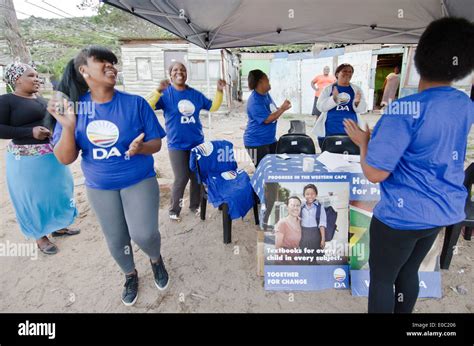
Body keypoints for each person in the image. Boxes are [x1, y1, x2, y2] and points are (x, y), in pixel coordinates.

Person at [344, 17, 474, 313]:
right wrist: (381, 140)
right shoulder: (464, 104)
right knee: (408, 272)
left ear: (418, 59)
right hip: (440, 212)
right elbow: (429, 145)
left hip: (401, 217)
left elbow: (375, 173)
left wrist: (364, 142)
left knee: (382, 280)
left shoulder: (404, 109)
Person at [50, 46, 168, 306]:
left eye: (113, 62)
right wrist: (68, 127)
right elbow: (65, 158)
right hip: (100, 186)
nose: (111, 66)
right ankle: (130, 274)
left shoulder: (134, 103)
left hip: (138, 179)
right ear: (83, 70)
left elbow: (156, 143)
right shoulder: (76, 109)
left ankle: (156, 259)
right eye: (102, 61)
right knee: (116, 238)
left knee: (144, 234)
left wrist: (141, 148)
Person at [0, 62, 78, 255]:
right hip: (26, 161)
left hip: (51, 156)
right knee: (33, 198)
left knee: (58, 192)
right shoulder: (6, 101)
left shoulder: (43, 100)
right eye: (31, 76)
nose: (37, 79)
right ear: (17, 80)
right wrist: (30, 131)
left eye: (37, 76)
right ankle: (40, 236)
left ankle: (58, 226)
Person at [146, 62, 226, 221]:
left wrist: (219, 90)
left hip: (196, 143)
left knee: (196, 176)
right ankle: (174, 209)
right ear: (170, 74)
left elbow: (213, 107)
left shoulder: (194, 94)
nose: (179, 72)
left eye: (182, 70)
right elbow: (148, 106)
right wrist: (157, 91)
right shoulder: (166, 94)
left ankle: (195, 206)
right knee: (181, 177)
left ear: (186, 74)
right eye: (175, 70)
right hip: (176, 144)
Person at [311, 63, 367, 149]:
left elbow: (362, 110)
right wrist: (334, 99)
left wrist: (357, 102)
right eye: (344, 71)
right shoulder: (328, 89)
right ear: (337, 74)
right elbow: (320, 107)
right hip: (331, 129)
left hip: (351, 130)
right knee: (328, 156)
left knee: (349, 157)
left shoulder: (357, 90)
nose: (347, 73)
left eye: (350, 72)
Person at [244, 69, 291, 167]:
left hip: (270, 140)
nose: (269, 82)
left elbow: (271, 111)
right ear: (261, 81)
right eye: (267, 80)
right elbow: (267, 119)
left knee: (276, 167)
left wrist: (281, 108)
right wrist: (282, 109)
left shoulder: (265, 95)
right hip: (256, 143)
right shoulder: (254, 101)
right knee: (265, 170)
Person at [275, 196, 302, 263]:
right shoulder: (282, 223)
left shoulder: (301, 222)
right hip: (284, 262)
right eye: (292, 205)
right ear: (287, 207)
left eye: (298, 205)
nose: (295, 208)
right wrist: (291, 263)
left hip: (297, 259)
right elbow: (278, 248)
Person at [300, 184, 326, 253]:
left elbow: (322, 224)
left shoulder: (320, 207)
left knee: (314, 256)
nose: (310, 196)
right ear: (304, 195)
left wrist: (323, 239)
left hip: (315, 234)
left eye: (312, 194)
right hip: (303, 234)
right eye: (307, 194)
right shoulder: (301, 207)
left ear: (316, 195)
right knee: (303, 255)